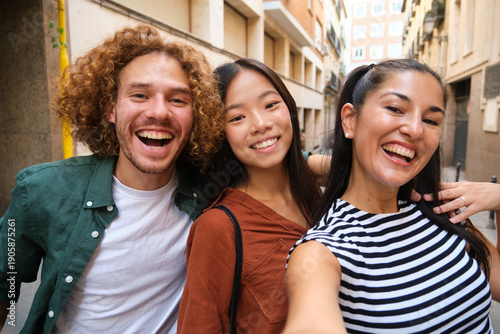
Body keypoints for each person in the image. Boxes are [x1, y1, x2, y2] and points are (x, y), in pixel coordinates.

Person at [0, 25, 225, 334]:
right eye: (139, 95)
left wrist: (314, 164)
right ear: (110, 109)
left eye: (177, 100)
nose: (159, 112)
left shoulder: (211, 189)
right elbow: (6, 281)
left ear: (194, 115)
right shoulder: (41, 191)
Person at [283, 59, 500, 333]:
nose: (415, 129)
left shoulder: (444, 214)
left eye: (431, 120)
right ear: (349, 120)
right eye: (396, 109)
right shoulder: (321, 252)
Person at [177, 58, 321, 333]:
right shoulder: (218, 229)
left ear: (289, 109)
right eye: (237, 118)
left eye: (270, 105)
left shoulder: (314, 195)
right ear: (221, 134)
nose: (260, 124)